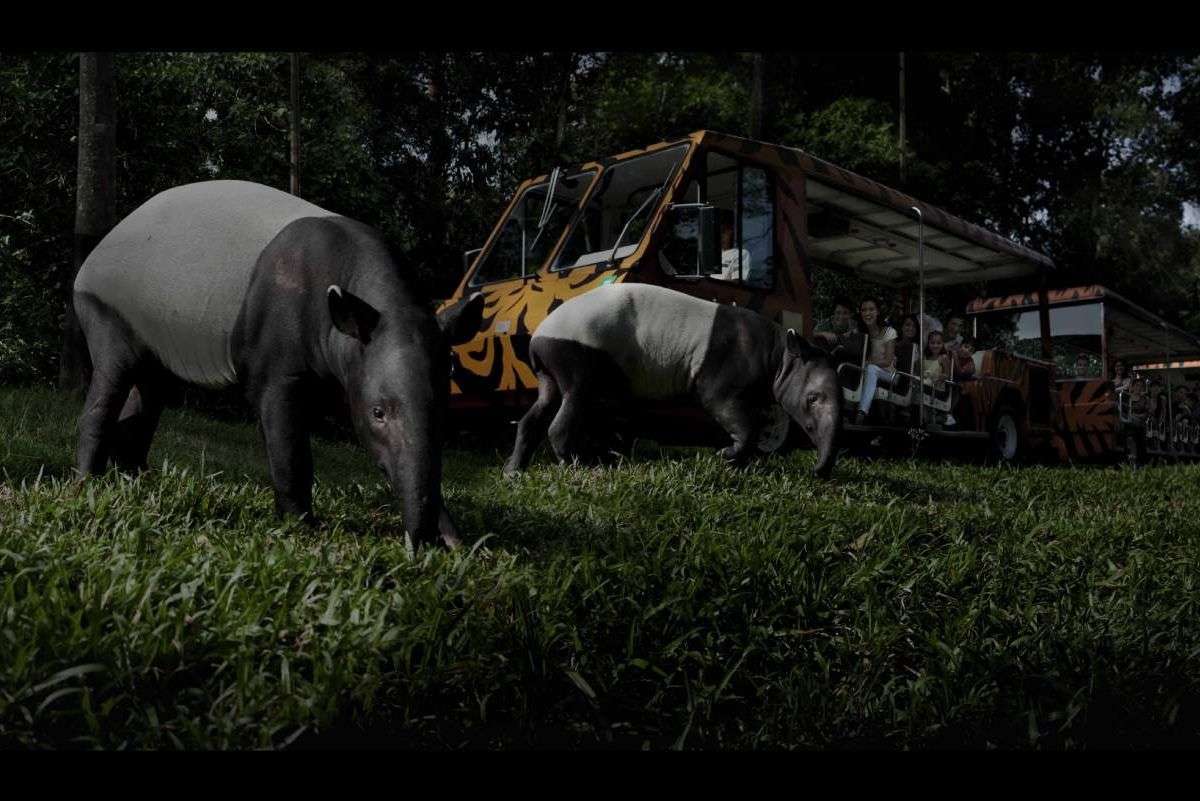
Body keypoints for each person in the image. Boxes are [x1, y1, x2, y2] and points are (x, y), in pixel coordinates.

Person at [854, 297, 898, 425]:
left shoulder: (889, 332)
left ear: (878, 312)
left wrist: (869, 363)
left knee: (871, 369)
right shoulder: (860, 333)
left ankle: (862, 412)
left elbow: (888, 361)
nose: (867, 313)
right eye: (864, 310)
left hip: (889, 374)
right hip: (867, 371)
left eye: (871, 309)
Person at [716, 213, 750, 282]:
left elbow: (737, 281)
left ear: (731, 232)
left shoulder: (741, 253)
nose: (721, 236)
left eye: (723, 232)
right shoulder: (711, 254)